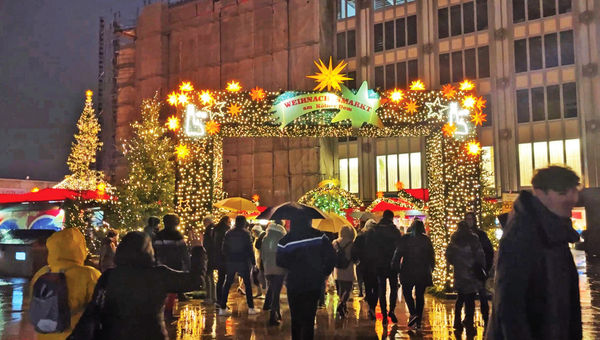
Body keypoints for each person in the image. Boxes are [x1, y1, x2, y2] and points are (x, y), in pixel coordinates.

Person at [487, 166, 582, 340]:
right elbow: (510, 306)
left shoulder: (555, 232)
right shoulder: (522, 234)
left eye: (574, 190)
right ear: (540, 193)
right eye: (563, 192)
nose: (572, 198)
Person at [91, 231, 205, 340]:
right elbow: (195, 281)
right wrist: (198, 250)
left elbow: (94, 311)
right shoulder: (158, 275)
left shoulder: (109, 276)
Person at [31, 228, 101, 340]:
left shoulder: (41, 274)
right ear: (79, 248)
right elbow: (100, 306)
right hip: (74, 335)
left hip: (44, 335)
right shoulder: (89, 274)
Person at [277, 216, 336, 340]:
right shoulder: (320, 236)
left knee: (296, 318)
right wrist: (324, 272)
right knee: (309, 318)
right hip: (313, 282)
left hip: (294, 283)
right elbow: (331, 256)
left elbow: (280, 261)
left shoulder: (285, 240)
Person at [391, 219, 435, 329]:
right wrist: (431, 269)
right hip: (422, 271)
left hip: (408, 270)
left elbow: (398, 253)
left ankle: (413, 312)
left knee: (407, 292)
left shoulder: (406, 238)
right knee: (420, 295)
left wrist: (396, 267)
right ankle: (418, 318)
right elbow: (431, 256)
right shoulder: (426, 240)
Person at [446, 220, 485, 335]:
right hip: (471, 272)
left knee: (460, 298)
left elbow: (448, 255)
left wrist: (455, 263)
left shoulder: (454, 239)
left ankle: (457, 321)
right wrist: (481, 266)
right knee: (470, 300)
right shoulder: (473, 238)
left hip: (459, 272)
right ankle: (469, 322)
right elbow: (480, 254)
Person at [364, 210, 402, 323]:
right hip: (392, 263)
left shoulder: (374, 231)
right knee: (394, 287)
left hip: (379, 264)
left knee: (382, 288)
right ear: (391, 218)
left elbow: (368, 248)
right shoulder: (395, 231)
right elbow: (399, 247)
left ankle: (384, 314)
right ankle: (392, 310)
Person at [218, 216, 260, 316]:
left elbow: (224, 248)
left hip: (231, 261)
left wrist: (227, 258)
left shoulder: (228, 233)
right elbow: (250, 249)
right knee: (247, 284)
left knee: (227, 284)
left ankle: (222, 308)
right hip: (243, 261)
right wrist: (253, 262)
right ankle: (251, 308)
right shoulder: (246, 233)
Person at [153, 214, 190, 314]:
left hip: (161, 264)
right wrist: (187, 265)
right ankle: (168, 310)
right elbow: (183, 252)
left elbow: (156, 250)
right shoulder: (177, 235)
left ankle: (162, 310)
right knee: (172, 288)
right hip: (175, 264)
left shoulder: (159, 235)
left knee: (163, 289)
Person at [464, 212, 494, 325]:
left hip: (479, 269)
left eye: (471, 219)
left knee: (482, 295)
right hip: (469, 270)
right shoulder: (464, 235)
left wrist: (486, 267)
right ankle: (469, 318)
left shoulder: (481, 235)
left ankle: (485, 318)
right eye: (467, 219)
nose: (469, 221)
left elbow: (489, 251)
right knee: (469, 296)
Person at [260, 220, 287, 325]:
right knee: (276, 293)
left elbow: (262, 255)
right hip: (279, 269)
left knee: (273, 289)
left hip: (268, 268)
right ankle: (273, 317)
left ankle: (277, 313)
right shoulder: (282, 239)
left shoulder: (265, 238)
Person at [351, 219, 378, 319]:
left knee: (368, 286)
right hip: (376, 266)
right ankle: (372, 307)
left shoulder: (361, 237)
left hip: (365, 265)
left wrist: (356, 261)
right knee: (376, 287)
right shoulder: (379, 238)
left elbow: (354, 250)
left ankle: (371, 306)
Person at [332, 225, 356, 318]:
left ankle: (343, 306)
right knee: (348, 288)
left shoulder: (335, 242)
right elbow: (354, 257)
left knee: (341, 289)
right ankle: (342, 304)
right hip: (348, 268)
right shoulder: (352, 243)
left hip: (337, 268)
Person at [212, 216, 230, 308]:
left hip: (218, 258)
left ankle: (219, 300)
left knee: (220, 279)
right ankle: (223, 302)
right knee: (227, 281)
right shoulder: (227, 231)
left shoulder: (215, 230)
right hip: (225, 258)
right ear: (227, 221)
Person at [201, 216, 217, 303]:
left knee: (208, 277)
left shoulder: (210, 230)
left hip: (210, 256)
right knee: (210, 277)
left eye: (204, 223)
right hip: (212, 256)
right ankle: (213, 297)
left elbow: (209, 243)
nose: (203, 225)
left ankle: (210, 297)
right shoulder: (213, 229)